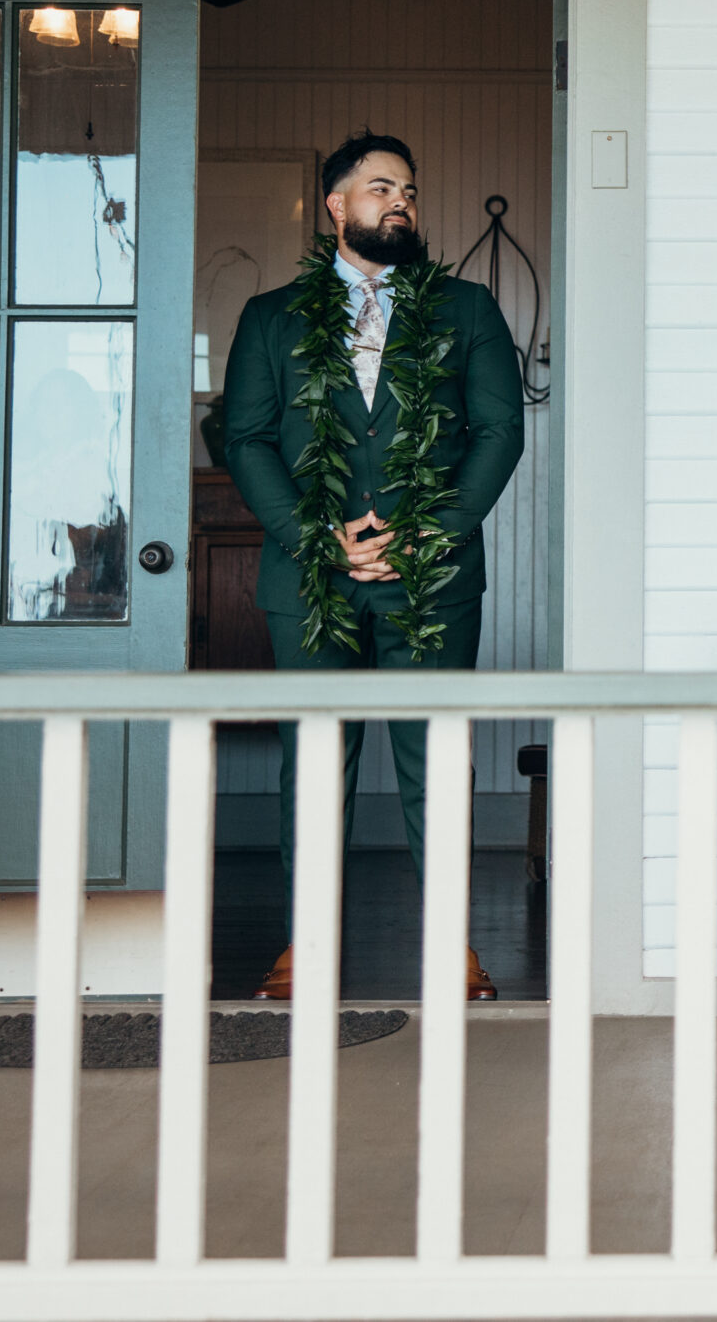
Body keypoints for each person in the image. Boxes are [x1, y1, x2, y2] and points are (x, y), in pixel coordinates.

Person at [221, 131, 526, 1000]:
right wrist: (315, 536)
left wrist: (433, 533)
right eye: (382, 187)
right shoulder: (270, 316)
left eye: (411, 191)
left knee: (437, 760)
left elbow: (500, 431)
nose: (402, 202)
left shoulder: (465, 311)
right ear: (336, 205)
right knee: (313, 764)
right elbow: (242, 437)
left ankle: (452, 948)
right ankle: (303, 946)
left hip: (432, 580)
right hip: (308, 578)